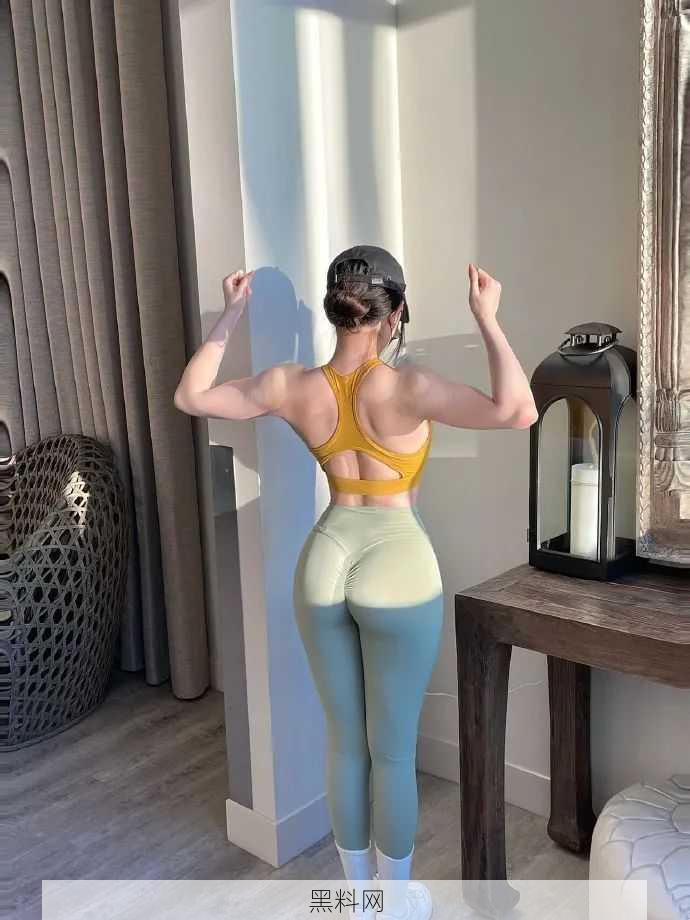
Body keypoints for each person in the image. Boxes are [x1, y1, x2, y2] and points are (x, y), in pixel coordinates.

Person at [174, 245, 538, 920]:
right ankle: (394, 904)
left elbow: (190, 396)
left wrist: (229, 315)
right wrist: (487, 317)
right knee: (391, 754)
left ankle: (357, 901)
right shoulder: (409, 386)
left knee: (346, 743)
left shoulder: (290, 385)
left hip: (325, 556)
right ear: (393, 314)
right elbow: (519, 410)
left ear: (336, 310)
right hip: (397, 561)